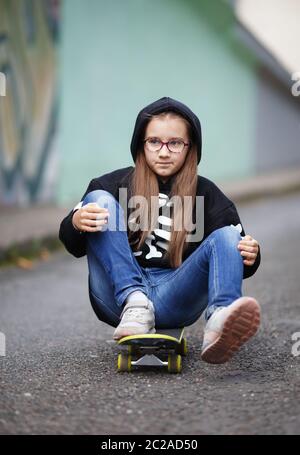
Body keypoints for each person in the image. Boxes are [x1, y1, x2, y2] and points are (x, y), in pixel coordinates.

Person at [59, 96, 261, 364]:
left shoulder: (207, 194)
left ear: (190, 148)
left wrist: (251, 254)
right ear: (141, 144)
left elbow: (237, 259)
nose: (164, 152)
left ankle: (220, 319)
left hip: (175, 297)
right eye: (154, 142)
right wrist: (75, 222)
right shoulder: (112, 185)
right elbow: (72, 244)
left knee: (228, 235)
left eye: (175, 143)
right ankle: (136, 300)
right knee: (98, 200)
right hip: (118, 300)